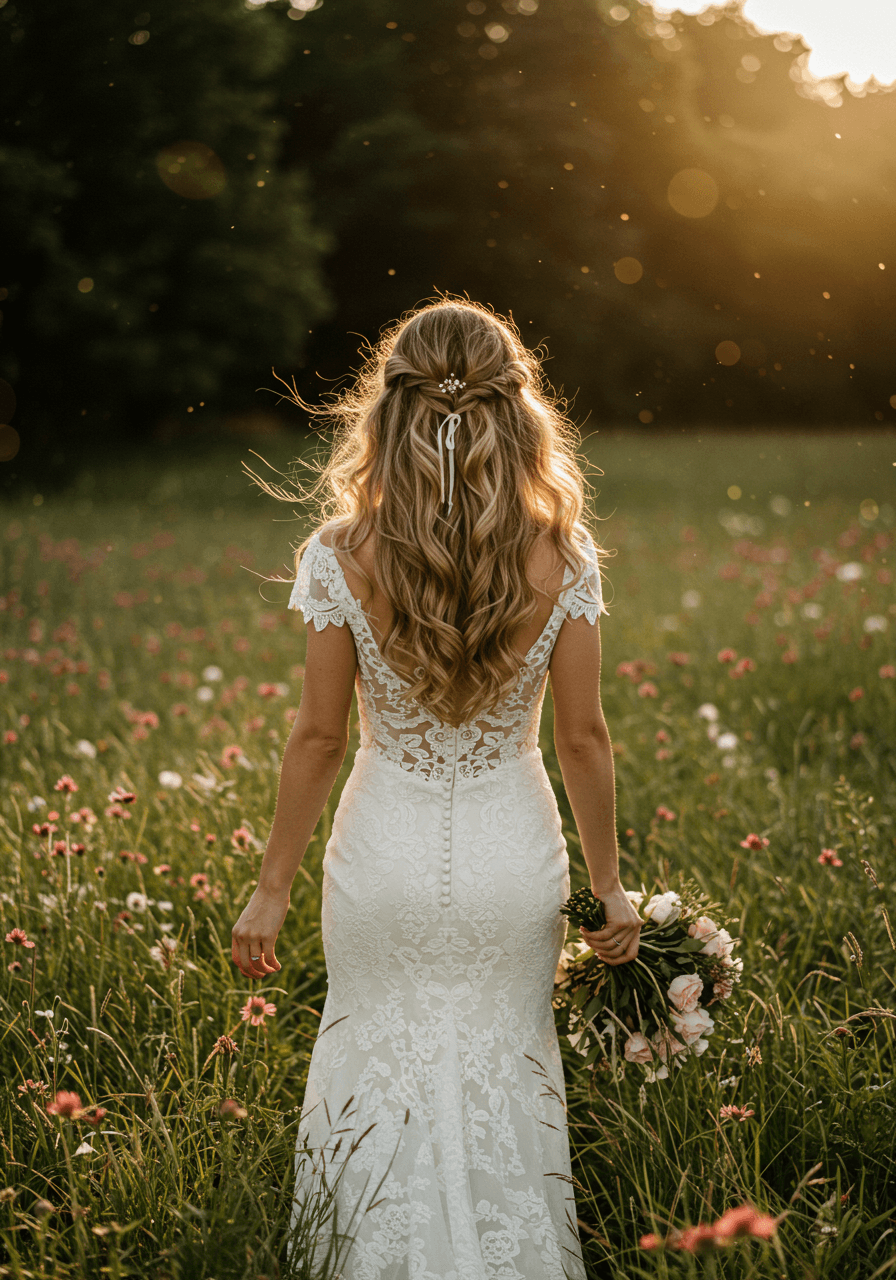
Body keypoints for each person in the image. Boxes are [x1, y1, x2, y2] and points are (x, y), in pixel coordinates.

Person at [231, 298, 641, 1279]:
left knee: (373, 1055)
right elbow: (581, 737)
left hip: (383, 852)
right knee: (504, 1067)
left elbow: (318, 735)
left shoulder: (341, 551)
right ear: (516, 407)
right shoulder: (562, 551)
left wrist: (272, 884)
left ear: (388, 408)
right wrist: (608, 886)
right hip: (512, 853)